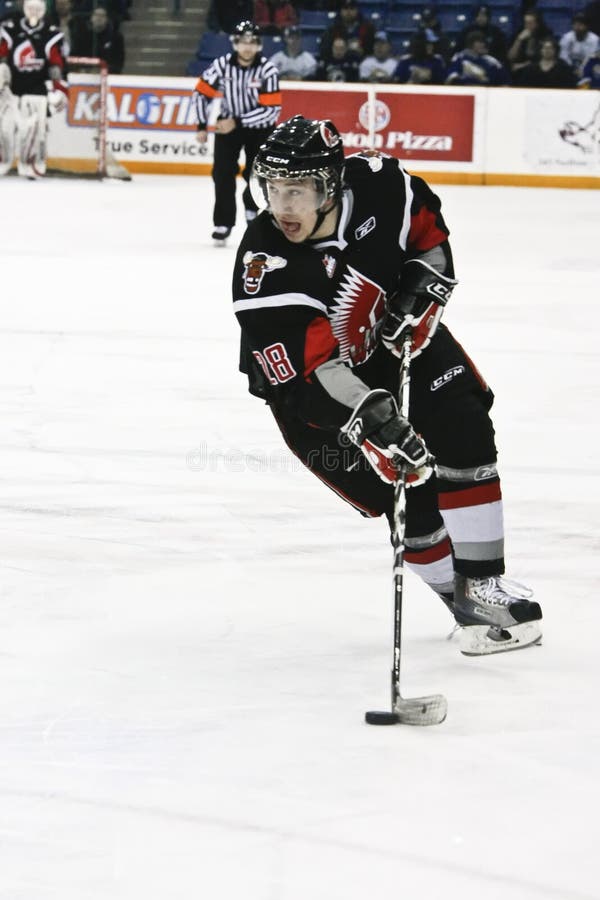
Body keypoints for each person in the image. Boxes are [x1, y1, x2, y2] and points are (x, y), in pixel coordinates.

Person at [232, 115, 543, 656]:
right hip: (317, 398)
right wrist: (369, 419)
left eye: (299, 191)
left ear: (331, 184)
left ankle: (484, 584)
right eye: (275, 189)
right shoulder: (266, 262)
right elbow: (308, 374)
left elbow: (429, 238)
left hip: (395, 344)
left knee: (464, 423)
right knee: (409, 494)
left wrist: (425, 289)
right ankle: (460, 601)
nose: (284, 207)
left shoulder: (383, 186)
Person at [192, 20, 281, 244]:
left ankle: (252, 207)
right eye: (243, 42)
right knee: (221, 173)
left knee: (257, 172)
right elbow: (200, 93)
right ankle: (223, 222)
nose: (247, 47)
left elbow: (271, 112)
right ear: (235, 43)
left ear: (259, 45)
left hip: (258, 128)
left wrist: (237, 122)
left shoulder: (267, 70)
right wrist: (202, 125)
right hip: (228, 125)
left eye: (252, 42)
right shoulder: (222, 65)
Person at [0, 0, 68, 178]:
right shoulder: (11, 28)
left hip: (36, 89)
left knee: (34, 131)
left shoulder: (50, 33)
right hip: (11, 89)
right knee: (4, 128)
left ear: (44, 11)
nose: (34, 12)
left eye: (38, 9)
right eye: (30, 8)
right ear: (24, 9)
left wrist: (58, 86)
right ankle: (2, 162)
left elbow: (56, 62)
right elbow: (2, 53)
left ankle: (32, 164)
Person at [71, 5, 125, 74]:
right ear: (91, 18)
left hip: (107, 76)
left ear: (107, 19)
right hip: (84, 74)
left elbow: (118, 61)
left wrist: (104, 70)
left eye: (102, 16)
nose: (99, 18)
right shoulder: (82, 36)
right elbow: (74, 56)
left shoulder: (116, 37)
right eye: (96, 15)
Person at [507, 9, 553, 75]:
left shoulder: (546, 34)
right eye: (525, 22)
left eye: (530, 23)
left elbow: (544, 58)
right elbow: (511, 57)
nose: (526, 26)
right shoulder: (519, 32)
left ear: (537, 23)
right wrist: (519, 40)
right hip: (520, 72)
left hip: (539, 71)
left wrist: (522, 65)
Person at [559, 12, 599, 78]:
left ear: (586, 26)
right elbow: (563, 56)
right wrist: (572, 69)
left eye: (580, 25)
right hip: (569, 67)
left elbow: (591, 58)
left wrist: (582, 69)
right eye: (575, 25)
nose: (577, 27)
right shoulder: (566, 37)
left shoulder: (594, 39)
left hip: (587, 68)